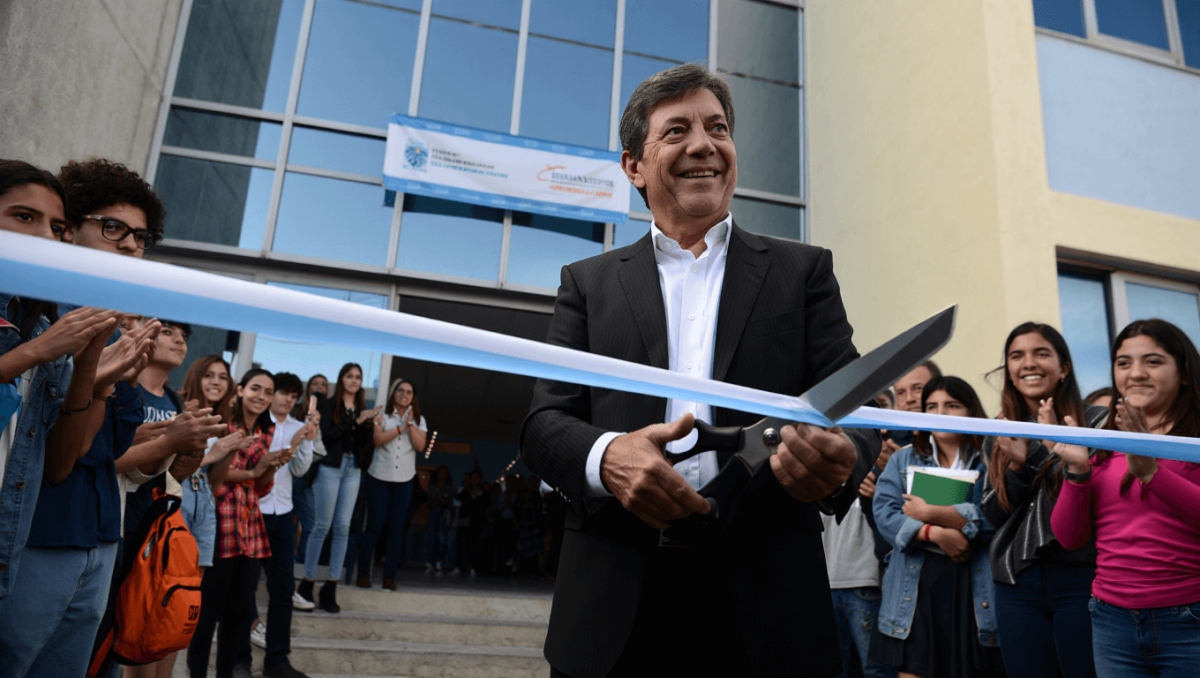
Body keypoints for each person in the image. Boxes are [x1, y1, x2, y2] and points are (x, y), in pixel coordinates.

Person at [519, 63, 880, 677]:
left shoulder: (803, 272)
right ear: (634, 165)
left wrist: (844, 451)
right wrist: (607, 455)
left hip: (767, 606)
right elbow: (543, 423)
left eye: (718, 127)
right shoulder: (586, 283)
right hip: (614, 604)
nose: (704, 144)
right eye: (678, 130)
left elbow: (856, 406)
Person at [0, 159, 164, 678]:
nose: (131, 244)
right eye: (113, 227)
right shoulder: (42, 314)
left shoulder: (117, 324)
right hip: (36, 535)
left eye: (142, 235)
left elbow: (110, 445)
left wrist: (108, 378)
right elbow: (55, 457)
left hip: (99, 532)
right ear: (75, 231)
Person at [1051, 319, 1200, 678]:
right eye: (1123, 363)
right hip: (1110, 620)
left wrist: (1152, 473)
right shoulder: (1105, 437)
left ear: (1183, 372)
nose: (1135, 373)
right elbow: (1070, 538)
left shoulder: (1194, 439)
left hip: (1190, 618)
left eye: (1152, 361)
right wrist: (1077, 471)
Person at [981, 322, 1105, 678]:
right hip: (1015, 581)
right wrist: (1016, 466)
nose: (1028, 363)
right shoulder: (1000, 430)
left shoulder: (1097, 423)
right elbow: (993, 513)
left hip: (1081, 576)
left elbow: (1088, 495)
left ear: (1064, 367)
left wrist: (1033, 456)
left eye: (1041, 353)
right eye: (1017, 356)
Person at [870, 376, 1005, 678]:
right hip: (916, 589)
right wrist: (935, 532)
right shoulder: (903, 459)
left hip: (975, 589)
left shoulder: (990, 459)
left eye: (952, 405)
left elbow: (996, 517)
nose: (940, 413)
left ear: (971, 410)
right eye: (932, 406)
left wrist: (930, 511)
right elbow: (885, 513)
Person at [187, 369, 283, 678]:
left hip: (249, 528)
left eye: (268, 392)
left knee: (240, 613)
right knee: (209, 611)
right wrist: (255, 473)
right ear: (239, 390)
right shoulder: (224, 423)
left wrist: (269, 467)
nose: (261, 396)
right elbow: (213, 473)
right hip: (219, 523)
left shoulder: (265, 432)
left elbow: (261, 487)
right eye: (255, 388)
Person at [238, 372, 317, 678]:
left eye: (293, 395)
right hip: (252, 511)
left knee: (283, 589)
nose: (287, 399)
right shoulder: (257, 423)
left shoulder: (300, 427)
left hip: (283, 514)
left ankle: (277, 661)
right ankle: (240, 659)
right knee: (244, 590)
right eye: (282, 393)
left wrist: (303, 442)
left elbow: (299, 471)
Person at [298, 363, 379, 612]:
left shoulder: (363, 408)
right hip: (330, 466)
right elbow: (328, 436)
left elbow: (365, 445)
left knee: (343, 527)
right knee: (322, 525)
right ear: (341, 379)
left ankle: (331, 586)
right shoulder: (326, 405)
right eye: (349, 376)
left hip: (352, 469)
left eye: (358, 377)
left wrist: (367, 423)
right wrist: (357, 420)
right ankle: (307, 584)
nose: (354, 380)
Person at [356, 378, 427, 589]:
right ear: (393, 393)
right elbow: (377, 440)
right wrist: (399, 428)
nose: (404, 394)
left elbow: (420, 446)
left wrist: (410, 425)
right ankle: (363, 575)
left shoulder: (420, 420)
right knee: (375, 526)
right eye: (400, 390)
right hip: (379, 476)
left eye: (409, 391)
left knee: (396, 529)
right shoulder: (382, 415)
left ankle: (389, 578)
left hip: (404, 480)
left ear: (413, 397)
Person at [292, 373, 327, 574]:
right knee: (287, 524)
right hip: (294, 473)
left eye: (323, 384)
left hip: (313, 477)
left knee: (311, 524)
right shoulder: (298, 411)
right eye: (315, 384)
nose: (320, 387)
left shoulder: (329, 414)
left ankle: (299, 564)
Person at [426, 466, 453, 574]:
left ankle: (439, 561)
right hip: (433, 513)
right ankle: (430, 561)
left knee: (442, 539)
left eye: (444, 473)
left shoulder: (450, 488)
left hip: (444, 514)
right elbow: (428, 503)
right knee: (432, 538)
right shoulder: (433, 487)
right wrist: (436, 498)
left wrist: (444, 498)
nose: (442, 475)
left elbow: (451, 503)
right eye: (440, 473)